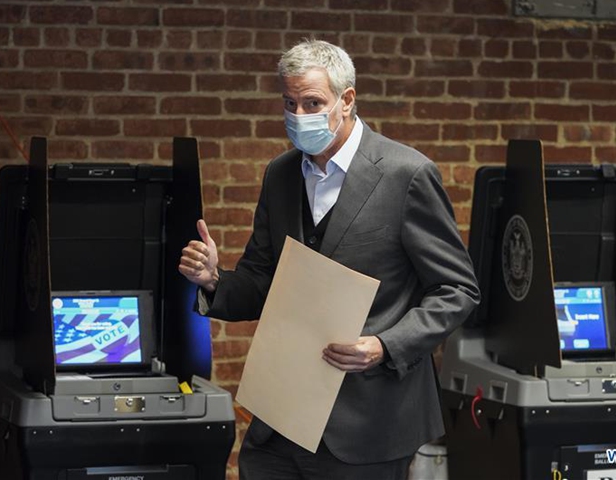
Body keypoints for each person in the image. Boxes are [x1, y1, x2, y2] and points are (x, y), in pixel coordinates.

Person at [179, 39, 480, 480]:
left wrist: (385, 345)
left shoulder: (406, 174)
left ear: (347, 101)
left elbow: (458, 290)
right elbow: (262, 279)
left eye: (313, 103)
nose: (299, 117)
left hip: (369, 425)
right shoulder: (281, 174)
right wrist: (213, 281)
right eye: (290, 102)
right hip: (279, 423)